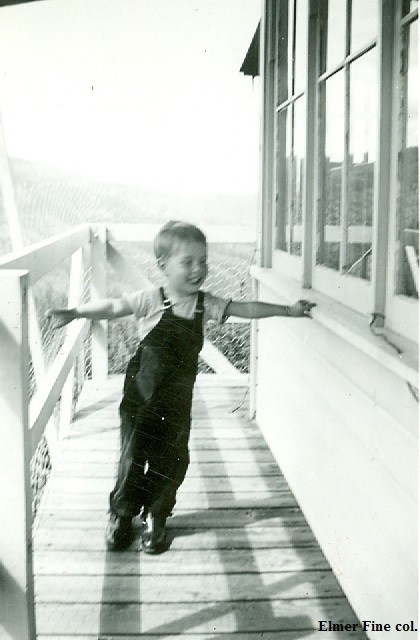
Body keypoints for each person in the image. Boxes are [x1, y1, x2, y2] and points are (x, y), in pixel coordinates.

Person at [47, 220, 315, 553]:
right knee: (133, 454)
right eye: (187, 262)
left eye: (203, 261)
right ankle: (121, 514)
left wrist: (288, 311)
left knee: (171, 457)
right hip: (140, 397)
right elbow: (114, 306)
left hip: (176, 401)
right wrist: (74, 312)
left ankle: (156, 517)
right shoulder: (151, 299)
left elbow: (246, 308)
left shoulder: (206, 304)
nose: (197, 269)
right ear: (163, 266)